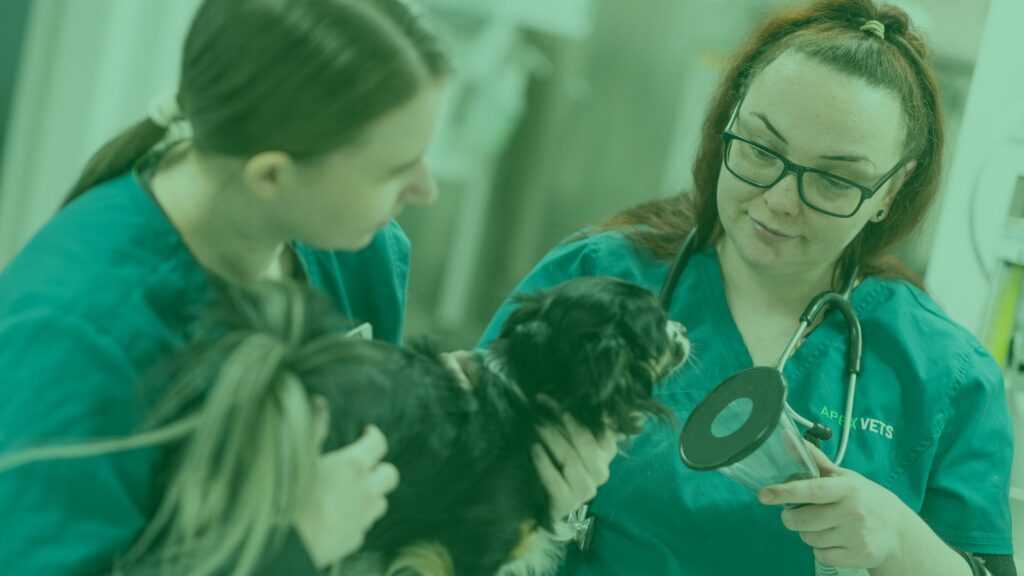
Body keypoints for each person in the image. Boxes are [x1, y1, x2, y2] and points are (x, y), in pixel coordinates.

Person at [0, 0, 614, 574]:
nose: (425, 189)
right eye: (395, 169)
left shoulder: (358, 253)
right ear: (272, 175)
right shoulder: (76, 339)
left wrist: (461, 437)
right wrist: (292, 543)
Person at [480, 1, 1017, 575]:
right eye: (761, 151)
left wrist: (903, 545)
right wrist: (515, 497)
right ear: (727, 120)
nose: (780, 201)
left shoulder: (944, 374)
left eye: (835, 179)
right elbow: (453, 468)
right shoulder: (592, 278)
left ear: (892, 189)